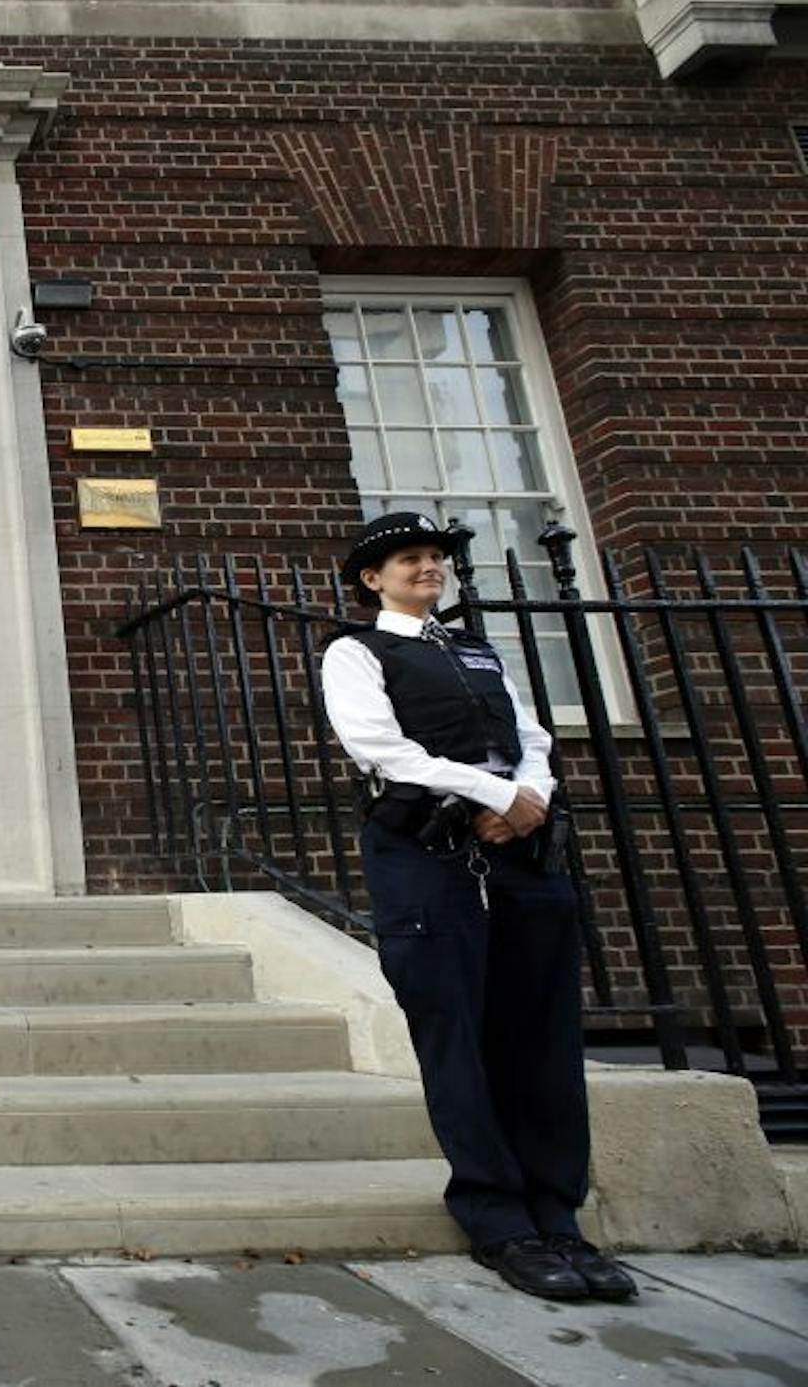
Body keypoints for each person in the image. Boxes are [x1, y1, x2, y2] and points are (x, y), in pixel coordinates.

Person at [320, 511, 635, 1305]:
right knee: (456, 1032)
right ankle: (499, 1221)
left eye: (435, 557)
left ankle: (557, 1215)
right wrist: (493, 792)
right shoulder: (357, 651)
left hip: (520, 855)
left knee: (541, 1035)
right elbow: (382, 750)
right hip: (429, 858)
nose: (429, 568)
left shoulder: (475, 647)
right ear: (373, 578)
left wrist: (529, 796)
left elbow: (531, 735)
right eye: (410, 559)